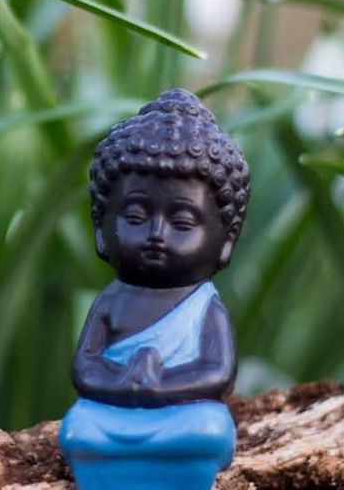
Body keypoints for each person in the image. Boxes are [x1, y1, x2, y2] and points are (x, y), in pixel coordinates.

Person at [59, 88, 250, 490]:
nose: (156, 235)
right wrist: (124, 382)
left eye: (182, 223)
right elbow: (85, 366)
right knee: (79, 428)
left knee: (209, 430)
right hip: (111, 415)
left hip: (183, 415)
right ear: (102, 230)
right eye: (135, 216)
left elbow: (217, 372)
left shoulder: (204, 307)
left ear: (226, 240)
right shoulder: (113, 300)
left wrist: (159, 384)